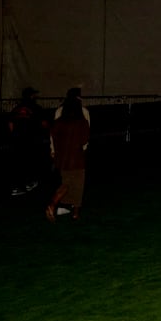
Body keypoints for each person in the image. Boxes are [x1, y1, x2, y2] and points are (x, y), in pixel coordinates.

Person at [46, 88, 91, 221]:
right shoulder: (82, 119)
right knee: (78, 185)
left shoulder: (60, 118)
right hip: (77, 157)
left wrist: (54, 150)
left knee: (66, 183)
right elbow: (85, 139)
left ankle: (54, 204)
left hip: (62, 157)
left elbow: (52, 135)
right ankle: (74, 212)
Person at [7, 87, 49, 197]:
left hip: (17, 140)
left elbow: (10, 124)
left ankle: (16, 187)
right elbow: (44, 123)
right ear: (31, 96)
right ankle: (28, 183)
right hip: (31, 140)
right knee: (30, 161)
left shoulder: (17, 108)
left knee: (17, 163)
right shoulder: (36, 108)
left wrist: (15, 135)